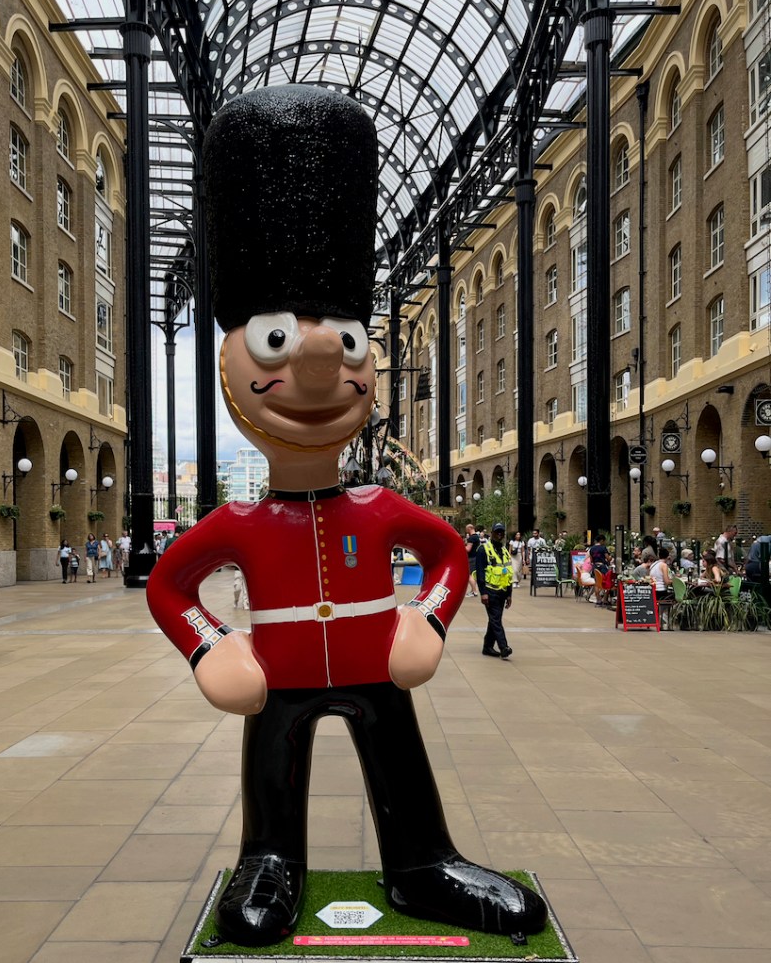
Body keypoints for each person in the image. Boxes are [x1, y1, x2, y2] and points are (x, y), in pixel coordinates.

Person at [146, 86, 545, 946]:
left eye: (343, 342)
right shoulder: (240, 523)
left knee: (399, 758)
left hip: (374, 667)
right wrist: (211, 646)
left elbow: (448, 554)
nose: (325, 362)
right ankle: (268, 858)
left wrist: (427, 618)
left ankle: (420, 860)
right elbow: (168, 581)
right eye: (280, 341)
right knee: (272, 766)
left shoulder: (382, 503)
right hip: (278, 676)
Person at [476, 523, 514, 659]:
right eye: (497, 532)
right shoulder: (483, 550)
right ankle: (504, 647)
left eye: (502, 532)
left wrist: (509, 594)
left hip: (502, 591)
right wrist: (483, 592)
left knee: (494, 619)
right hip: (490, 591)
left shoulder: (504, 551)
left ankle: (487, 647)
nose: (500, 534)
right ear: (491, 533)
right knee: (496, 619)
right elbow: (480, 573)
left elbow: (508, 573)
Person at [463, 524, 479, 596]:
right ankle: (473, 590)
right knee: (473, 575)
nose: (466, 531)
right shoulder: (476, 537)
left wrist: (462, 545)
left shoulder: (471, 538)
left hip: (471, 558)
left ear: (469, 528)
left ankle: (474, 591)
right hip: (475, 557)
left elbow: (468, 549)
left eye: (466, 529)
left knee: (469, 575)